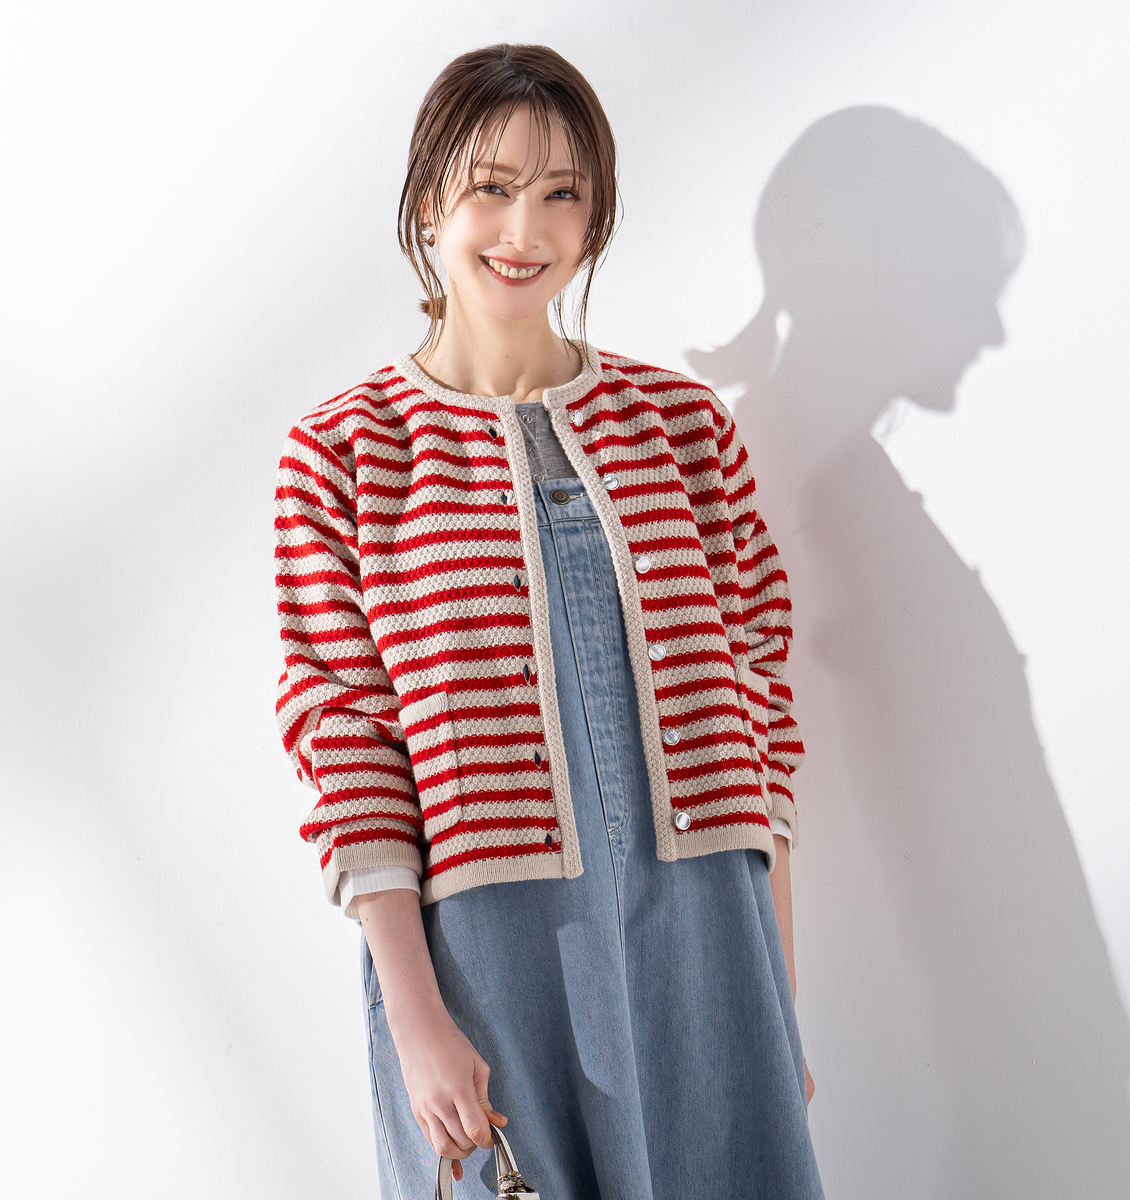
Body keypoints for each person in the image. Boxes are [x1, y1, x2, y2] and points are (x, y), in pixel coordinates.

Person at [273, 43, 823, 1199]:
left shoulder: (684, 431)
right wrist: (416, 1020)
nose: (526, 229)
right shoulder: (344, 453)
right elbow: (344, 735)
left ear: (596, 217)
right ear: (430, 202)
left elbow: (761, 709)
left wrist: (776, 989)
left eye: (563, 193)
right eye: (492, 187)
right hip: (488, 957)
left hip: (707, 943)